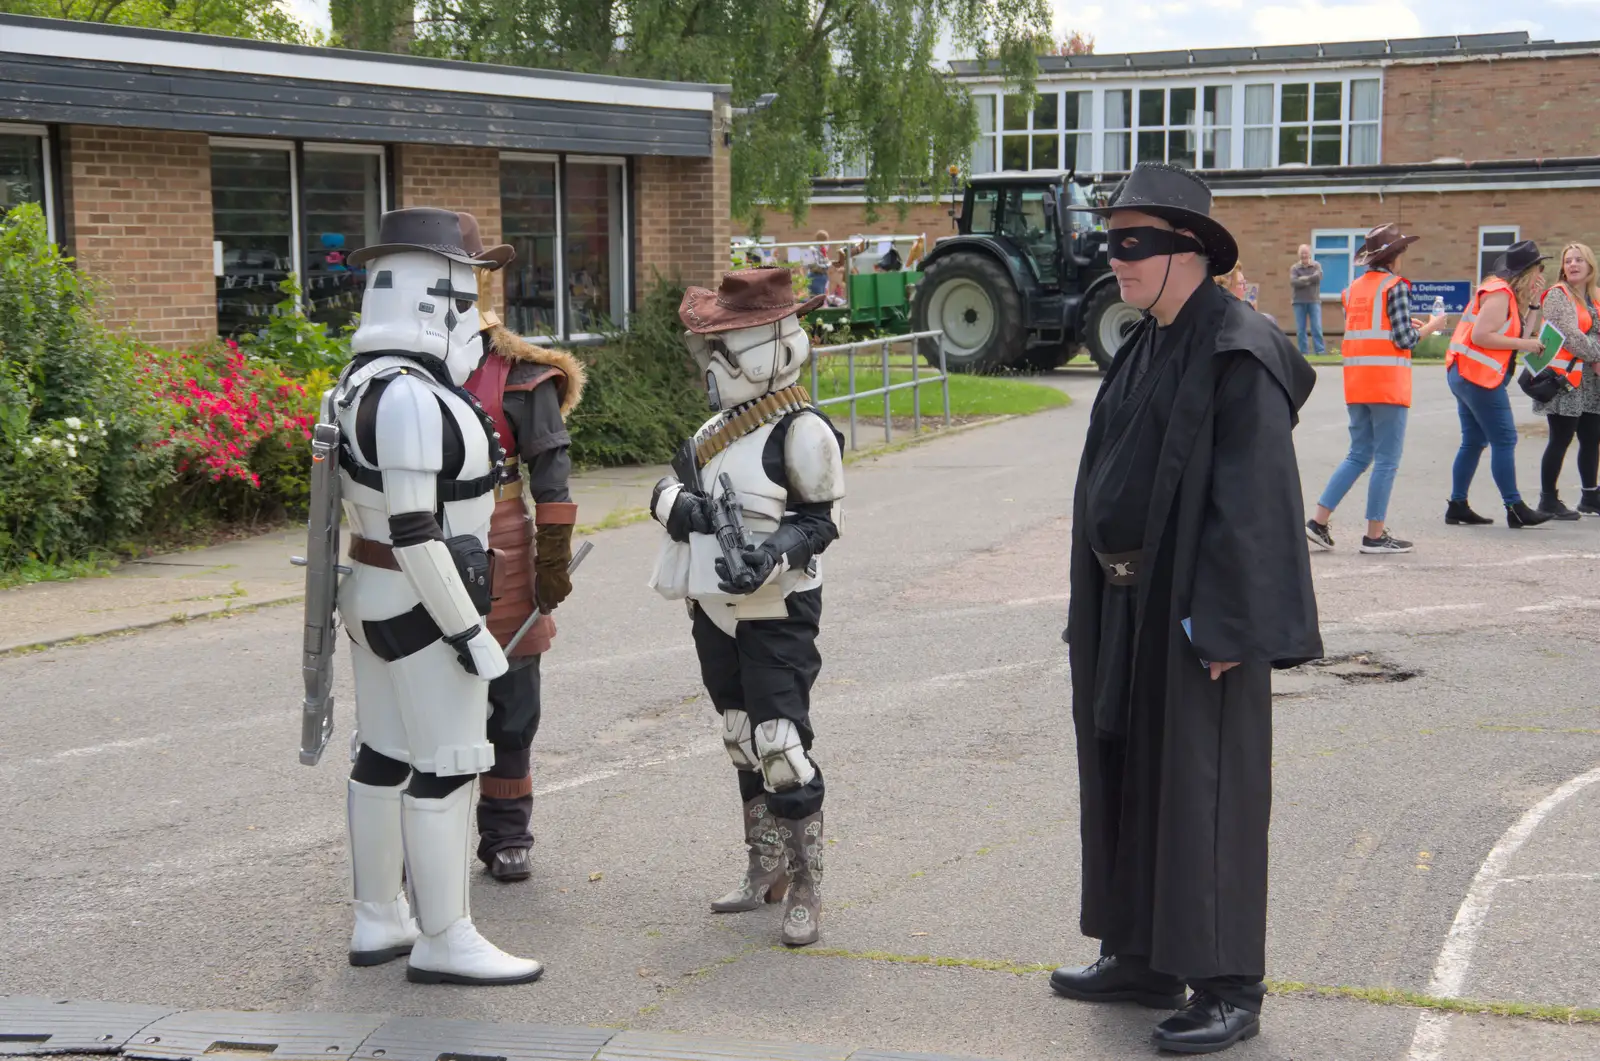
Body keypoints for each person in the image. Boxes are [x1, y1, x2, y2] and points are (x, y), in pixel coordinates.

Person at [1054, 163, 1322, 1054]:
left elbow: (1254, 500)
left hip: (1194, 613)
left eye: (1132, 244)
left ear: (1189, 250)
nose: (1115, 260)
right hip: (1126, 602)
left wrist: (1227, 623)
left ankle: (1229, 983)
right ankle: (1140, 953)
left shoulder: (1234, 348)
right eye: (1110, 242)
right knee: (1126, 770)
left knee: (1205, 790)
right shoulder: (1148, 338)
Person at [332, 207, 542, 985]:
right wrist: (468, 631)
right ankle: (445, 933)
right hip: (425, 599)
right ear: (434, 297)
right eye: (465, 290)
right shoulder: (411, 397)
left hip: (374, 596)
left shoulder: (355, 386)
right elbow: (419, 529)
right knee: (449, 761)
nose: (475, 310)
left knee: (384, 753)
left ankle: (379, 913)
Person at [647, 267, 846, 948]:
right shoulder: (714, 430)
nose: (710, 366)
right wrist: (689, 509)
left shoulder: (802, 431)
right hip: (712, 606)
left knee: (781, 745)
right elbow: (665, 492)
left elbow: (821, 518)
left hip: (776, 606)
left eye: (723, 350)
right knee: (739, 734)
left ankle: (808, 885)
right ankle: (766, 868)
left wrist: (774, 552)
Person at [459, 212, 586, 883]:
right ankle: (430, 830)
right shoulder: (395, 371)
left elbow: (551, 470)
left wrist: (551, 563)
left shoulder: (517, 373)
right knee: (423, 701)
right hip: (416, 555)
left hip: (504, 545)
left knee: (512, 705)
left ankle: (508, 830)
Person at [1305, 223, 1449, 555]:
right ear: (1394, 256)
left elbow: (1372, 326)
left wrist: (1405, 323)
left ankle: (1318, 521)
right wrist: (1431, 326)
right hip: (1387, 383)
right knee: (1386, 459)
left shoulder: (1352, 289)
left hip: (1357, 382)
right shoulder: (1396, 286)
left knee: (1358, 454)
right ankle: (1374, 535)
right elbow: (1404, 339)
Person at [1444, 241, 1554, 528]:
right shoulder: (1499, 294)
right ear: (1527, 271)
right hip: (1477, 377)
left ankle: (1457, 505)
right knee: (1504, 439)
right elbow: (1482, 336)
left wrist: (1534, 303)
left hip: (1464, 373)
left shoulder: (1503, 294)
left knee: (1474, 441)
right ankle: (1515, 507)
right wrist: (1525, 343)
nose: (1541, 273)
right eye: (1538, 268)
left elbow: (1524, 334)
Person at [1531, 242, 1600, 519]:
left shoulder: (1595, 297)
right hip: (1563, 379)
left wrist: (1593, 351)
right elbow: (1571, 336)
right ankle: (1548, 499)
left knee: (1592, 437)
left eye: (1578, 260)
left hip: (1590, 380)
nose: (1572, 265)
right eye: (1568, 260)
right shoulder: (1558, 296)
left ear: (1590, 266)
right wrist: (1596, 354)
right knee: (1561, 438)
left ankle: (1590, 496)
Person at [1289, 244, 1326, 355]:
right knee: (1301, 330)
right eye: (1302, 253)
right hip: (1298, 302)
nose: (1304, 255)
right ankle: (1303, 353)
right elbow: (1294, 282)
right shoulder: (1294, 268)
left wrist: (1304, 279)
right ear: (1299, 254)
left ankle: (1320, 351)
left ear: (1309, 253)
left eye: (1305, 253)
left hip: (1314, 301)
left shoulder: (1316, 265)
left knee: (1317, 328)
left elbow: (1318, 277)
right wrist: (1310, 280)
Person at [806, 230, 831, 298]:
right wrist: (825, 265)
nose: (827, 243)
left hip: (823, 276)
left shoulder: (823, 249)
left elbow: (825, 261)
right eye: (826, 240)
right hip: (815, 276)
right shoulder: (812, 249)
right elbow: (813, 264)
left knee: (822, 298)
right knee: (816, 299)